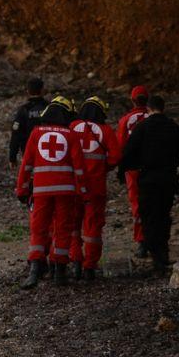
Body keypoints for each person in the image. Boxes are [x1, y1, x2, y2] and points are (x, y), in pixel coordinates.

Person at [118, 95, 179, 273]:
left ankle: (155, 256)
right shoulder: (175, 128)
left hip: (148, 180)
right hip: (168, 179)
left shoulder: (142, 128)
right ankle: (163, 252)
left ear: (148, 109)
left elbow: (128, 152)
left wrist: (123, 172)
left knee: (149, 218)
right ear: (164, 108)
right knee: (163, 216)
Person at [16, 95, 84, 289]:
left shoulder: (36, 133)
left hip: (41, 191)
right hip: (66, 192)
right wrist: (84, 192)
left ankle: (35, 271)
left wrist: (21, 188)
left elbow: (27, 163)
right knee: (63, 229)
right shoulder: (70, 135)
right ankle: (59, 273)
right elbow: (79, 167)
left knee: (39, 229)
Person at [69, 96, 122, 280]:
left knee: (72, 225)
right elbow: (115, 157)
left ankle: (75, 260)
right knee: (93, 228)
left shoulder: (72, 126)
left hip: (73, 186)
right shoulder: (106, 131)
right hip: (95, 188)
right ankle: (89, 267)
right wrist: (102, 168)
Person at [116, 85, 150, 257]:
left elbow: (120, 146)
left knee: (138, 204)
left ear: (132, 100)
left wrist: (121, 169)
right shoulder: (154, 117)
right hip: (154, 167)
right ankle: (156, 239)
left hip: (133, 169)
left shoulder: (125, 120)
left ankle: (142, 241)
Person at [8, 77, 48, 169]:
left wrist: (12, 157)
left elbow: (16, 134)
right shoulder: (50, 108)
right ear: (42, 90)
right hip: (48, 152)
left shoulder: (23, 110)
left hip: (29, 151)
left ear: (28, 92)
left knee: (30, 178)